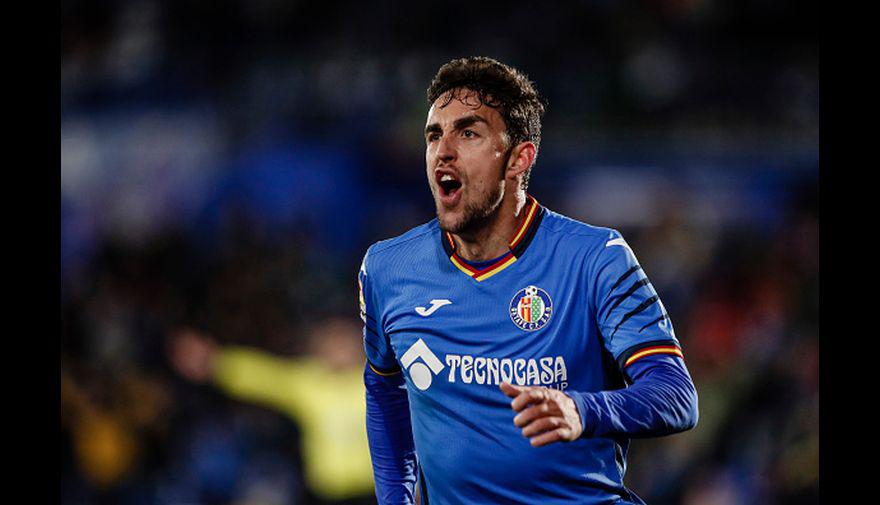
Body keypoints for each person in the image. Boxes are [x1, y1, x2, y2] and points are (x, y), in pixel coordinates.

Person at [359, 56, 698, 504]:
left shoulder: (595, 259)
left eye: (468, 133)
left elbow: (676, 395)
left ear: (519, 158)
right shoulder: (388, 269)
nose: (444, 151)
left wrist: (582, 409)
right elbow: (384, 388)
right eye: (434, 135)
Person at [168, 317, 376, 504]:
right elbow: (264, 377)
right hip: (327, 493)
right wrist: (215, 362)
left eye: (344, 343)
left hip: (375, 491)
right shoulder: (310, 382)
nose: (339, 351)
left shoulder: (376, 381)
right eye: (333, 343)